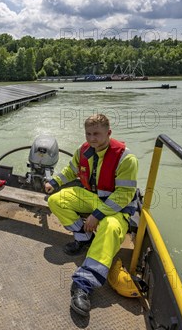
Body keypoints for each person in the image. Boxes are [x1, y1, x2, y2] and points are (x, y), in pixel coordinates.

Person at [44, 114, 138, 317]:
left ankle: (84, 284)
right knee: (56, 201)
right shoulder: (84, 150)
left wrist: (97, 214)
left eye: (97, 134)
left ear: (108, 133)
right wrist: (55, 182)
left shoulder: (125, 158)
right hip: (92, 197)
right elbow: (71, 171)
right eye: (88, 133)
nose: (92, 138)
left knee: (110, 227)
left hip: (117, 206)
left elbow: (124, 195)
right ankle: (84, 237)